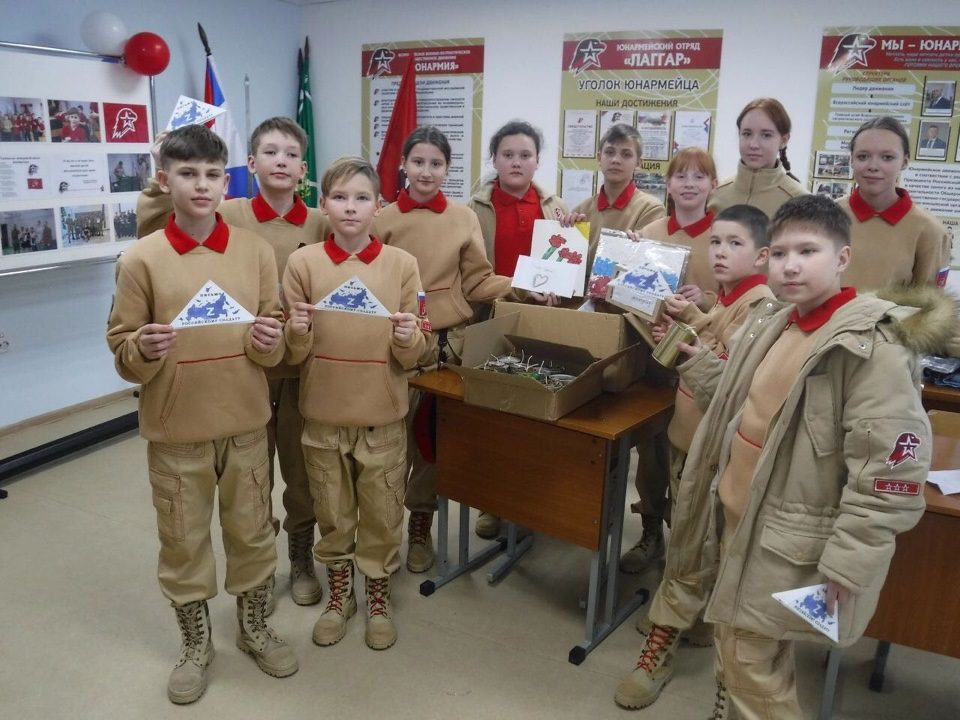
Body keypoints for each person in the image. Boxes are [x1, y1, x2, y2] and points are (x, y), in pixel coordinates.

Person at [616, 194, 951, 717]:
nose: (791, 265)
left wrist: (849, 561)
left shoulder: (870, 348)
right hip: (732, 520)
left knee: (754, 670)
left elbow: (890, 472)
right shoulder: (778, 321)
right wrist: (697, 362)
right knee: (736, 648)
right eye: (780, 253)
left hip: (783, 539)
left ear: (842, 259)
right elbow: (741, 402)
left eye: (808, 251)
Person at [105, 125, 298, 705]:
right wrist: (142, 348)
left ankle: (254, 627)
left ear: (226, 182)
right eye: (188, 174)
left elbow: (273, 338)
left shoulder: (254, 251)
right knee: (182, 540)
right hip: (176, 431)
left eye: (213, 174)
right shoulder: (141, 259)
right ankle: (195, 645)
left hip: (245, 426)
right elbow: (122, 350)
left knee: (253, 533)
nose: (202, 185)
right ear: (165, 180)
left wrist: (271, 340)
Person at [137, 118, 331, 607]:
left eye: (291, 153)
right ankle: (259, 575)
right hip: (241, 372)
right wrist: (159, 173)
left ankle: (300, 556)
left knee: (301, 473)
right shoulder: (229, 210)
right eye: (270, 151)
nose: (281, 161)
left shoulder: (320, 221)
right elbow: (161, 226)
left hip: (300, 366)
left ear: (303, 168)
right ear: (249, 164)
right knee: (251, 479)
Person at [615, 204, 776, 709]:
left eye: (735, 244)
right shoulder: (728, 299)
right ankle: (694, 619)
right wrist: (682, 324)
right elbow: (708, 343)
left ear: (763, 255)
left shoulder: (761, 307)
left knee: (691, 545)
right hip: (689, 437)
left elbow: (731, 385)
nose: (721, 252)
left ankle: (662, 644)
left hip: (713, 452)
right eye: (716, 242)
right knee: (694, 539)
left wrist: (690, 335)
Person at [283, 156, 426, 651]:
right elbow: (293, 353)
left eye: (362, 197)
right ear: (323, 204)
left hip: (381, 418)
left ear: (378, 206)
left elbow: (415, 350)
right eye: (340, 197)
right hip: (322, 415)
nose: (350, 207)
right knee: (332, 511)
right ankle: (340, 593)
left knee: (383, 513)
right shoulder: (302, 263)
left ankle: (378, 594)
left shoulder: (402, 265)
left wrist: (409, 339)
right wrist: (296, 332)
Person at [374, 125, 524, 572]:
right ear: (404, 165)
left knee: (431, 443)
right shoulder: (381, 220)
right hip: (396, 345)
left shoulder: (462, 218)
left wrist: (524, 285)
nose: (426, 171)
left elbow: (477, 280)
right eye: (418, 162)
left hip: (447, 348)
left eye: (436, 163)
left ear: (448, 169)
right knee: (390, 442)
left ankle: (421, 525)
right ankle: (383, 532)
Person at [467, 120, 567, 537]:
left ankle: (528, 502)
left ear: (537, 161)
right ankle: (492, 502)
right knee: (492, 417)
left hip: (540, 322)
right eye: (507, 154)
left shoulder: (556, 208)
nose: (516, 162)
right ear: (494, 158)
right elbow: (470, 275)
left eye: (525, 155)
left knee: (534, 417)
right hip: (491, 317)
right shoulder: (473, 210)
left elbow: (568, 265)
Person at [839, 116, 951, 289]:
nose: (873, 166)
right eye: (862, 156)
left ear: (904, 162)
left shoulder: (930, 231)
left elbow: (930, 302)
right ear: (851, 160)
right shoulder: (825, 217)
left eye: (887, 157)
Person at [568, 123, 666, 249]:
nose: (616, 160)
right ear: (599, 158)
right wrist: (566, 228)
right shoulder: (581, 211)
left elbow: (645, 257)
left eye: (626, 154)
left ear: (638, 163)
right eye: (609, 152)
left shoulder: (651, 209)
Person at [709, 98, 807, 218]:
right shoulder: (714, 195)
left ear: (783, 140)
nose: (753, 145)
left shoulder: (800, 203)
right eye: (747, 134)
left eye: (766, 135)